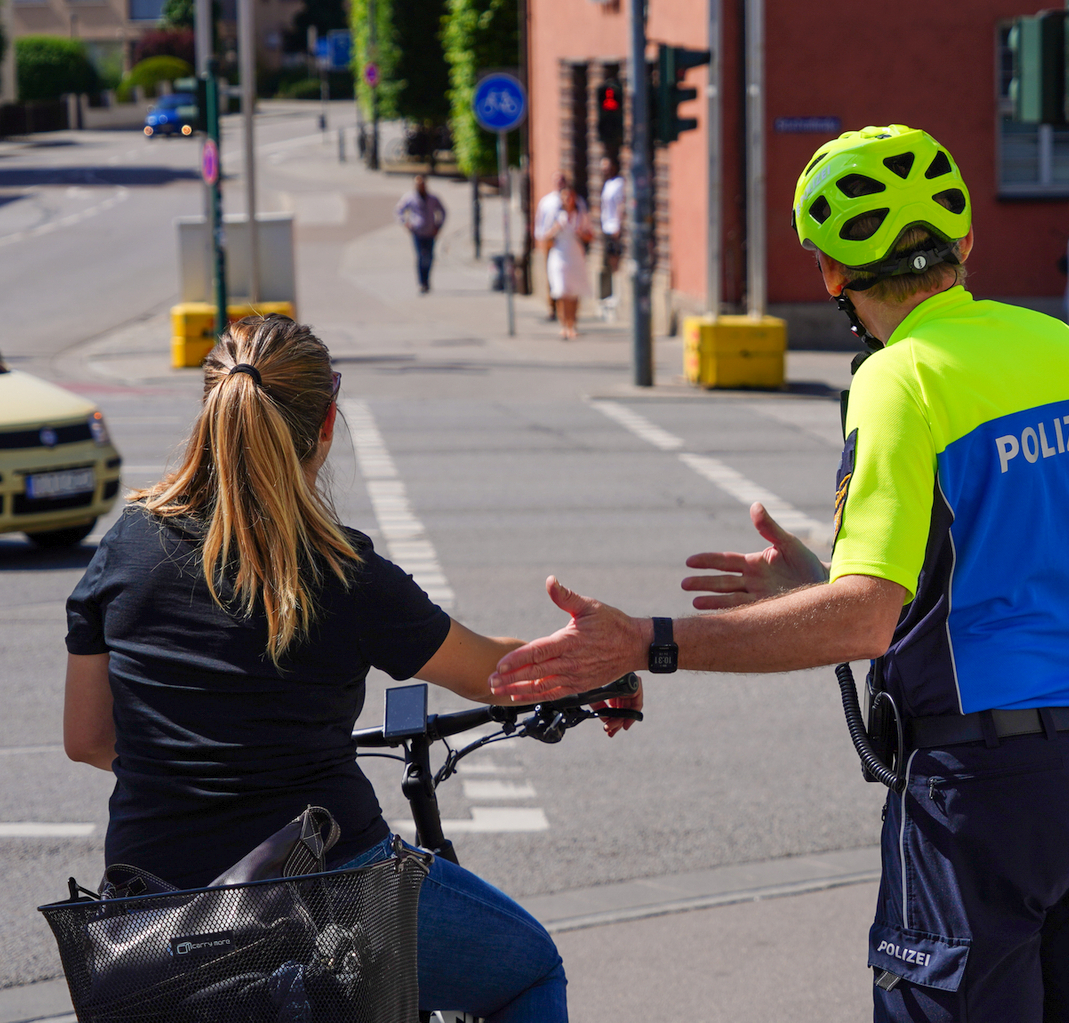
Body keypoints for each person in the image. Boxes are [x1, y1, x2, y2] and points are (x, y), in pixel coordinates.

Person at [487, 125, 1069, 1021]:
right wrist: (822, 578)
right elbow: (1012, 549)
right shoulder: (1057, 347)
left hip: (983, 792)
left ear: (834, 277)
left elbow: (864, 623)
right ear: (963, 246)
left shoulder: (899, 377)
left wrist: (646, 642)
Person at [62, 315, 637, 1022]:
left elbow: (86, 738)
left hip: (155, 912)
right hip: (328, 893)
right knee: (527, 968)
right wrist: (605, 663)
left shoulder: (125, 545)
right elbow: (498, 673)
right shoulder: (340, 570)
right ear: (326, 424)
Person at [538, 184, 594, 341]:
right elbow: (544, 236)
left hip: (575, 255)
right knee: (561, 291)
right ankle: (564, 325)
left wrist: (582, 234)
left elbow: (590, 235)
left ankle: (573, 325)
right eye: (564, 196)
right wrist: (555, 229)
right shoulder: (555, 216)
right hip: (559, 255)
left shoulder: (580, 215)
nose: (567, 199)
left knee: (574, 292)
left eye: (570, 196)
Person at [534, 173, 584, 322]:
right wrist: (548, 235)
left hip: (573, 248)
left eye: (562, 180)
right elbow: (540, 226)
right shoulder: (547, 202)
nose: (560, 183)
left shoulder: (578, 202)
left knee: (572, 284)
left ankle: (571, 320)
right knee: (555, 280)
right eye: (557, 181)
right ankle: (553, 309)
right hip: (553, 245)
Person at [396, 174, 447, 294]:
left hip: (430, 232)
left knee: (429, 257)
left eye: (422, 184)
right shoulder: (409, 198)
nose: (420, 186)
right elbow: (399, 210)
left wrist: (438, 226)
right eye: (418, 184)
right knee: (420, 257)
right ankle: (421, 282)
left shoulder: (433, 198)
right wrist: (405, 223)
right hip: (417, 232)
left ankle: (427, 280)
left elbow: (443, 211)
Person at [598, 158, 625, 316]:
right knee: (609, 259)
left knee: (616, 260)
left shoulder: (619, 183)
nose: (605, 171)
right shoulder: (607, 184)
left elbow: (621, 204)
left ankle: (618, 293)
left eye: (607, 168)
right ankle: (612, 292)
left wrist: (619, 225)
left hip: (615, 227)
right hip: (606, 226)